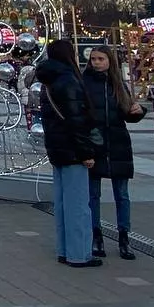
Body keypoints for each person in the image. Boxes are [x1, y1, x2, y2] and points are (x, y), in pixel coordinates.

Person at [36, 39, 102, 268]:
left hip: (56, 147)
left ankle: (64, 250)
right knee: (79, 204)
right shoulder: (68, 81)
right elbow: (76, 121)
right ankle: (79, 253)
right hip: (73, 149)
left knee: (63, 202)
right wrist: (86, 152)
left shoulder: (47, 82)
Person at [81, 45, 146, 260]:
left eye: (100, 59)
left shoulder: (118, 85)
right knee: (93, 195)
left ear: (110, 61)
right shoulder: (85, 83)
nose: (96, 63)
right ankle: (96, 235)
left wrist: (138, 112)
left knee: (122, 195)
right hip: (95, 144)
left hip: (118, 144)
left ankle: (124, 237)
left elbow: (127, 112)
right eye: (93, 59)